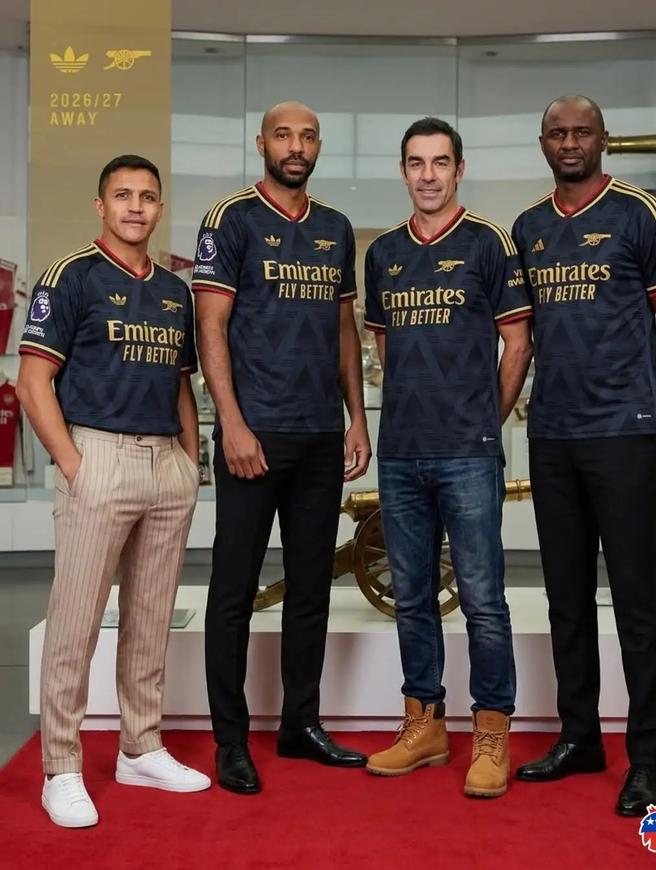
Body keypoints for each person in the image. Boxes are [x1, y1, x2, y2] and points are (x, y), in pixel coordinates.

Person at [511, 95, 656, 816]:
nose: (570, 142)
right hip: (553, 435)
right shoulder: (529, 227)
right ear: (543, 142)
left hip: (623, 435)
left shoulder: (640, 213)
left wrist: (645, 401)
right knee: (565, 599)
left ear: (603, 140)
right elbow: (523, 335)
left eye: (581, 132)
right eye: (557, 132)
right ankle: (580, 737)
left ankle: (645, 760)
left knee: (636, 601)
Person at [17, 155, 211, 829]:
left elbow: (182, 383)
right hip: (98, 456)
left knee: (151, 619)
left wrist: (189, 463)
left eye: (147, 196)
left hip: (165, 465)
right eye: (122, 195)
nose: (135, 206)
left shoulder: (174, 291)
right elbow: (32, 382)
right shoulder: (71, 275)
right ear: (101, 205)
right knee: (75, 623)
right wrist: (75, 465)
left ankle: (141, 747)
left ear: (159, 208)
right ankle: (61, 767)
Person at [193, 101, 371, 795]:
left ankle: (300, 723)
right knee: (234, 590)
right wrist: (232, 424)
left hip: (320, 437)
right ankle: (230, 741)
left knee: (310, 589)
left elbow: (343, 327)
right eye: (283, 135)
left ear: (318, 146)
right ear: (262, 143)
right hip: (254, 437)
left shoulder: (335, 228)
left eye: (307, 137)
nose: (295, 147)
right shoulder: (231, 219)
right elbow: (211, 327)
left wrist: (356, 418)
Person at [363, 117, 533, 798]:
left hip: (469, 452)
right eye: (416, 162)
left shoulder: (489, 243)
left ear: (459, 170)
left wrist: (485, 420)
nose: (428, 174)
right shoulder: (383, 253)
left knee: (483, 600)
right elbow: (383, 345)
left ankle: (491, 731)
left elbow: (517, 342)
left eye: (440, 162)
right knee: (412, 598)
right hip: (401, 452)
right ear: (403, 171)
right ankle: (424, 726)